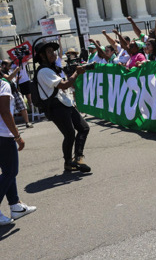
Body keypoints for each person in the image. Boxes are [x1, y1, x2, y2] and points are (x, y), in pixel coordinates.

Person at [34, 41, 90, 173]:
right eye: (49, 51)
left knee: (84, 128)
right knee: (70, 134)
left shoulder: (54, 68)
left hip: (65, 103)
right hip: (56, 107)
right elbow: (64, 85)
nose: (53, 53)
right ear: (42, 56)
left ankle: (78, 157)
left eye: (53, 51)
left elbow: (66, 85)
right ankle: (68, 162)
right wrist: (77, 73)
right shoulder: (44, 71)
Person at [0, 75, 36, 225]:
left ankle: (15, 205)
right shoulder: (3, 85)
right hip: (3, 135)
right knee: (11, 172)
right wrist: (17, 136)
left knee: (8, 171)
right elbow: (5, 112)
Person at [0, 61, 32, 128]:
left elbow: (12, 79)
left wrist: (16, 79)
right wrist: (16, 70)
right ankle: (12, 126)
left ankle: (27, 122)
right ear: (3, 65)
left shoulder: (9, 70)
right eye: (9, 65)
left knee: (22, 106)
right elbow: (8, 78)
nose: (10, 67)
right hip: (7, 93)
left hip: (15, 91)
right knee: (10, 110)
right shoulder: (1, 71)